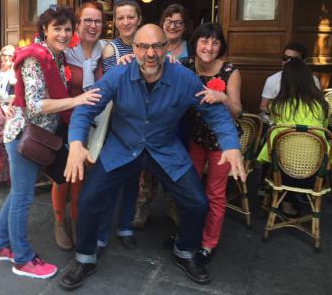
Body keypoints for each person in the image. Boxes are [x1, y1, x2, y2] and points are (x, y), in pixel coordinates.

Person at [59, 24, 244, 290]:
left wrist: (230, 144)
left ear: (167, 47)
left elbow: (214, 113)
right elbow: (86, 108)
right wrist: (76, 143)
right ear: (133, 49)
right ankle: (85, 258)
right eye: (143, 46)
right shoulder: (118, 76)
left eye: (157, 46)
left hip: (164, 150)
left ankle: (185, 252)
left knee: (197, 202)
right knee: (89, 198)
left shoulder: (184, 78)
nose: (150, 53)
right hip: (122, 149)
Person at [0, 6, 101, 279]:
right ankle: (23, 258)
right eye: (57, 29)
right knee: (23, 198)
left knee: (18, 194)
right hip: (25, 136)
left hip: (37, 136)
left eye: (66, 29)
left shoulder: (54, 56)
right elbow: (36, 104)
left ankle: (0, 245)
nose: (63, 34)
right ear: (45, 31)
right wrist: (76, 100)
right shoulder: (35, 58)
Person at [184, 22, 242, 265]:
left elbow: (237, 112)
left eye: (215, 42)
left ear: (220, 46)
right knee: (189, 189)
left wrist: (224, 98)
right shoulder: (186, 67)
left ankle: (208, 243)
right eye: (204, 41)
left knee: (215, 193)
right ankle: (189, 235)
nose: (209, 46)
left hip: (221, 142)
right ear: (195, 43)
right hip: (193, 137)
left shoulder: (230, 70)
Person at [51, 1, 106, 251]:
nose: (93, 26)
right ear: (77, 23)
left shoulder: (105, 52)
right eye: (88, 20)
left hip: (94, 125)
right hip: (65, 122)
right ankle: (59, 222)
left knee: (82, 177)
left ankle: (76, 220)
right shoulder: (63, 51)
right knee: (63, 176)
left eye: (98, 21)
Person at [133, 4, 191, 229]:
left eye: (178, 22)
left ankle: (172, 205)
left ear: (185, 26)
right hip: (151, 113)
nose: (173, 26)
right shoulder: (149, 48)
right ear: (162, 23)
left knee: (172, 161)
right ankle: (143, 205)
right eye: (169, 21)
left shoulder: (191, 48)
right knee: (147, 164)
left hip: (179, 116)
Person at [257, 58, 332, 205]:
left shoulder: (277, 106)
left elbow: (267, 111)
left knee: (272, 143)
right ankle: (301, 200)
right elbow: (325, 129)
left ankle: (281, 200)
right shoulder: (322, 105)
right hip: (316, 173)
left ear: (285, 81)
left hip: (282, 173)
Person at [99, 0, 143, 251]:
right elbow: (108, 89)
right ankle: (102, 233)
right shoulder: (110, 50)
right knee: (109, 180)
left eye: (131, 17)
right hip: (116, 125)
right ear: (115, 21)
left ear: (139, 19)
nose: (126, 22)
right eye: (121, 17)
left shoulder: (149, 46)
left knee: (132, 180)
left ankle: (125, 225)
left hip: (139, 125)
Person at [260, 42, 320, 113]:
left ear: (303, 61)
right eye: (285, 58)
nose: (287, 62)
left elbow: (317, 106)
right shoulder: (272, 80)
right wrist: (282, 113)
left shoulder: (313, 80)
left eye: (293, 59)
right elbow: (263, 106)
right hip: (279, 121)